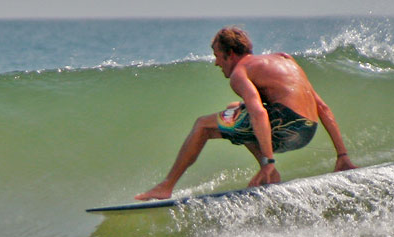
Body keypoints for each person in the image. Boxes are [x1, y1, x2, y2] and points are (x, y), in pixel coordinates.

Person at [134, 26, 357, 201]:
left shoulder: (240, 73)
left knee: (203, 125)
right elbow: (322, 107)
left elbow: (259, 113)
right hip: (308, 128)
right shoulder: (284, 58)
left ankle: (166, 186)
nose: (216, 63)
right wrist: (342, 155)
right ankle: (270, 172)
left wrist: (269, 161)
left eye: (217, 56)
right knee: (236, 109)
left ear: (230, 54)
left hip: (285, 125)